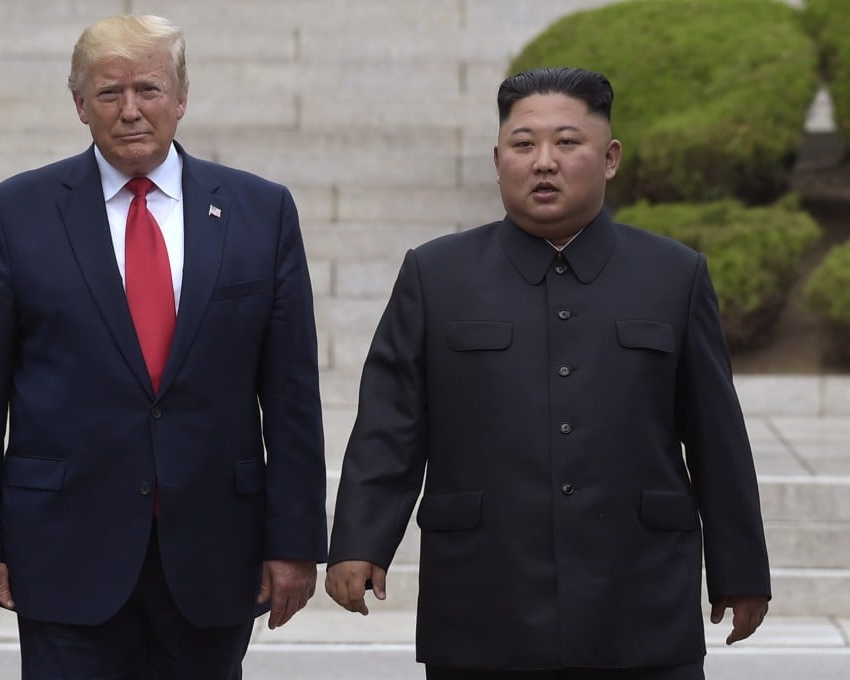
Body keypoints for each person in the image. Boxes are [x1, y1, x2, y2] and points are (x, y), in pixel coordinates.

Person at [325, 67, 770, 679]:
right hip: (485, 602)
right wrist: (358, 542)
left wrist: (741, 569)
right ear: (498, 157)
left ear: (609, 158)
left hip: (639, 603)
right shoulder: (437, 275)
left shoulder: (673, 275)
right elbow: (389, 424)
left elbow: (717, 437)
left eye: (567, 142)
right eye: (523, 144)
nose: (543, 162)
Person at [0, 14, 326, 679]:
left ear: (181, 98)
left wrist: (295, 542)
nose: (130, 111)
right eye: (108, 93)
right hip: (64, 547)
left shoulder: (260, 212)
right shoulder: (15, 212)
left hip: (213, 549)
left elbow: (291, 395)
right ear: (79, 105)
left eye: (147, 90)